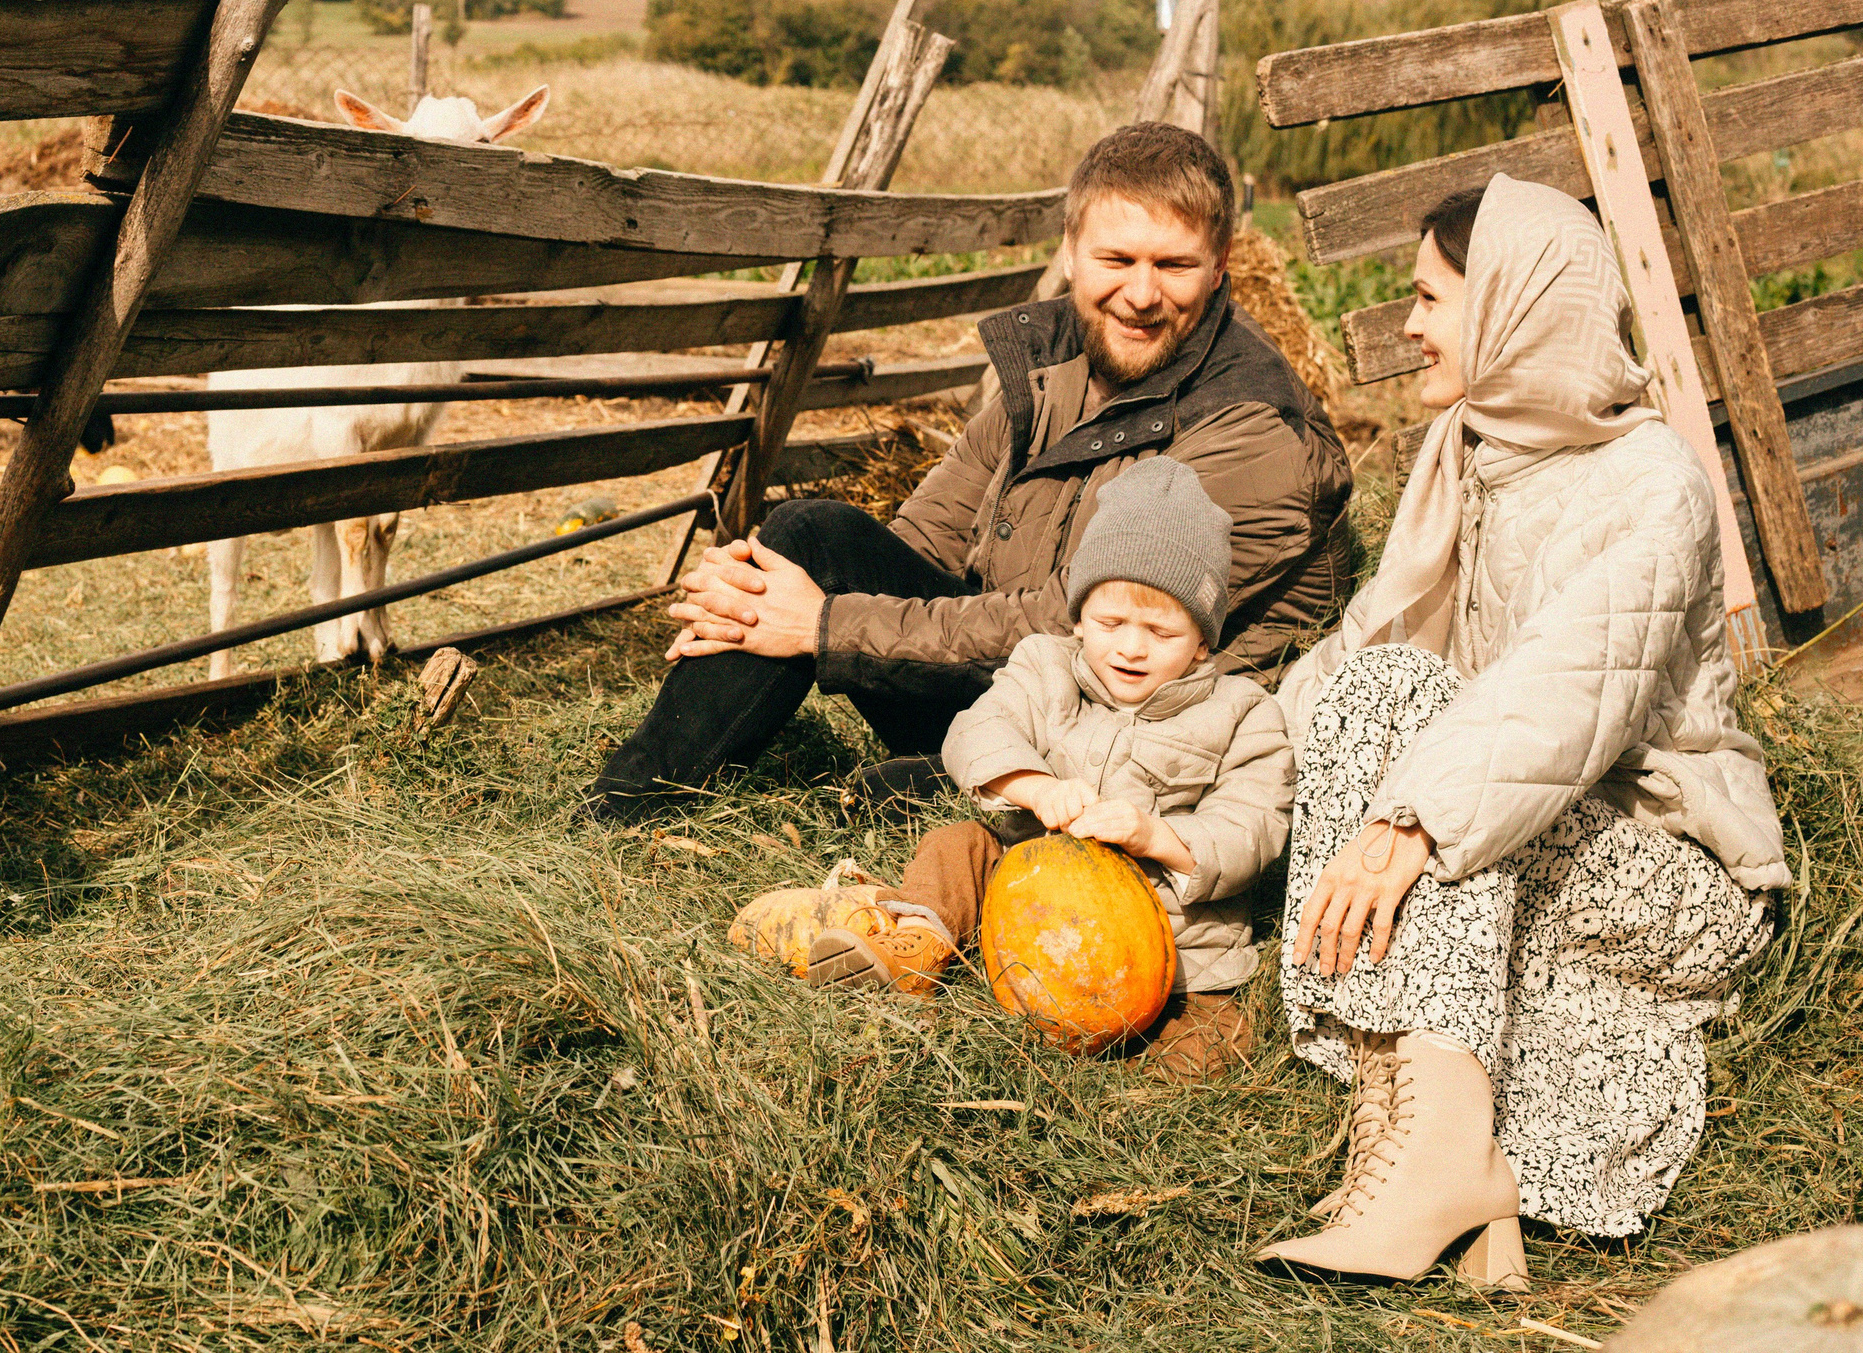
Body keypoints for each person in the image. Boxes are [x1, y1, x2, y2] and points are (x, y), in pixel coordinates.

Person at [1254, 175, 1789, 1291]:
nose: (1407, 326)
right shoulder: (1474, 448)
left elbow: (1557, 693)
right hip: (1524, 823)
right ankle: (1431, 1148)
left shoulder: (1655, 484)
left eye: (1428, 298)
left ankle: (1431, 1150)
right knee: (1381, 693)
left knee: (1411, 737)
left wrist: (1411, 821)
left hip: (1673, 875)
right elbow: (1372, 640)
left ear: (1513, 303)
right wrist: (1216, 781)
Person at [583, 121, 1352, 818]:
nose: (1142, 294)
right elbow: (927, 538)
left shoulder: (1252, 428)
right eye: (1117, 259)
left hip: (1132, 731)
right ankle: (630, 803)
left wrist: (822, 624)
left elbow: (1071, 621)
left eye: (1174, 264)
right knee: (809, 536)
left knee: (868, 738)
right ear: (1071, 251)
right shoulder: (1057, 359)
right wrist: (766, 597)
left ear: (1220, 266)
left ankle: (643, 807)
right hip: (1027, 684)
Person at [726, 459, 1292, 1080]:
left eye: (1161, 632)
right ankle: (916, 941)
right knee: (959, 846)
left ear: (1203, 640)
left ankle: (1135, 1079)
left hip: (1173, 948)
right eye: (1110, 623)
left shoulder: (1245, 714)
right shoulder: (1043, 665)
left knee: (1211, 1042)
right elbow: (975, 732)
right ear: (1078, 616)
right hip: (1024, 898)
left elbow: (1254, 828)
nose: (1131, 648)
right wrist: (1035, 788)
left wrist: (1157, 835)